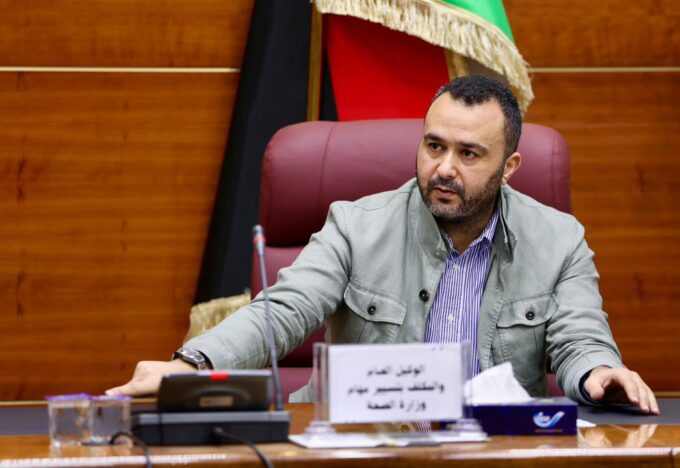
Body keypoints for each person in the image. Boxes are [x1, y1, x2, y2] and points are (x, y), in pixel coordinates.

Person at [108, 76, 659, 414]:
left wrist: (598, 373)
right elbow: (284, 310)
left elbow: (579, 337)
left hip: (493, 450)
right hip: (363, 445)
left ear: (509, 166)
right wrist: (192, 363)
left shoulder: (559, 239)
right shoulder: (354, 225)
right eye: (434, 146)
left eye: (469, 154)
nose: (444, 168)